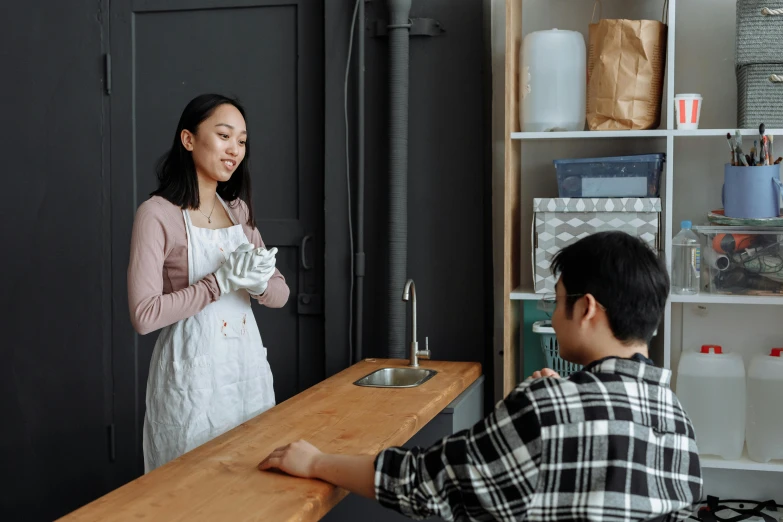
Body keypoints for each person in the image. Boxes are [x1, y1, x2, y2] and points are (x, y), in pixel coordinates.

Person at [258, 231, 703, 521]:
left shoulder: (550, 409)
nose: (552, 310)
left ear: (586, 309)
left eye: (557, 298)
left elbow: (426, 481)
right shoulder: (678, 419)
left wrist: (316, 462)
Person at [128, 93, 289, 472]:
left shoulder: (238, 211)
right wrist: (218, 283)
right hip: (192, 379)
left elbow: (281, 294)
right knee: (191, 492)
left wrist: (258, 280)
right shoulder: (156, 215)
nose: (235, 149)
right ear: (188, 139)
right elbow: (144, 314)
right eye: (224, 135)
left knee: (254, 485)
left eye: (242, 140)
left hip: (245, 369)